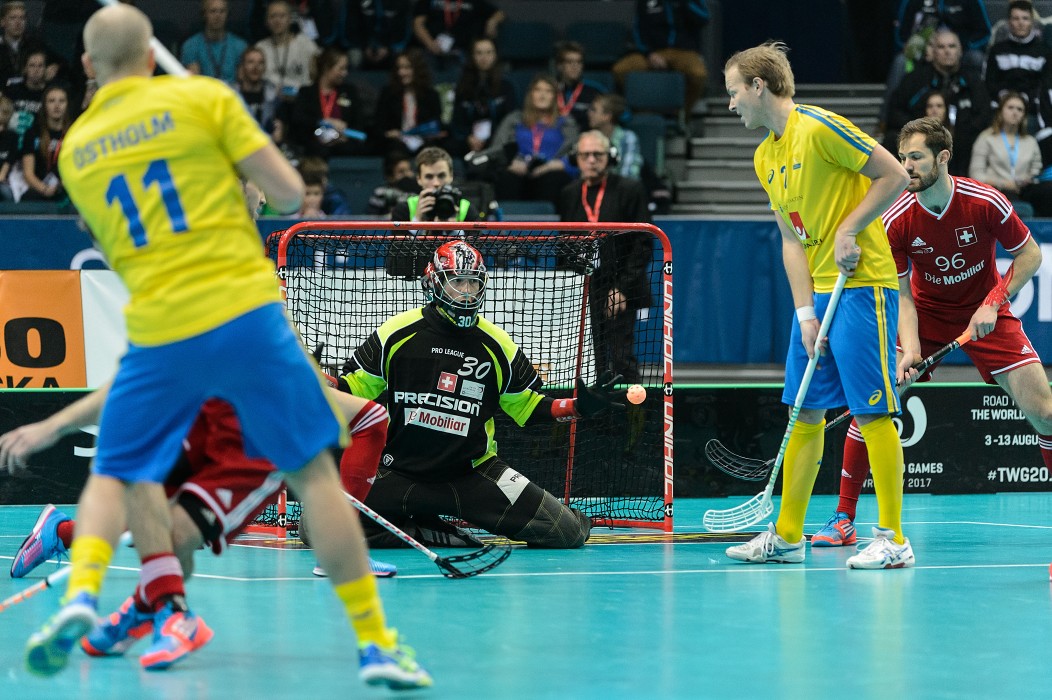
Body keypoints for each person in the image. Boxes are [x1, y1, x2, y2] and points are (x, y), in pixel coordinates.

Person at [25, 5, 430, 689]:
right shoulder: (204, 99)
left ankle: (85, 594)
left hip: (161, 326)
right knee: (313, 477)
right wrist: (232, 135)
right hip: (243, 314)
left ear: (87, 67)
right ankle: (376, 643)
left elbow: (118, 245)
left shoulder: (76, 151)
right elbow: (287, 196)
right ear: (152, 58)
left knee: (119, 472)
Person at [812, 116, 1052, 548]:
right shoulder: (897, 218)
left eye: (916, 158)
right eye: (902, 158)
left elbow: (1030, 255)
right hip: (925, 316)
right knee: (875, 404)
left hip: (986, 311)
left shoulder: (984, 201)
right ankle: (843, 519)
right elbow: (903, 294)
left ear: (943, 157)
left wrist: (994, 301)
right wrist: (910, 349)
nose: (906, 167)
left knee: (1045, 413)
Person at [721, 41, 913, 569]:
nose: (730, 103)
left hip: (863, 284)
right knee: (804, 409)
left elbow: (894, 175)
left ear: (758, 85)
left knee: (871, 409)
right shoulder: (764, 157)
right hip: (820, 293)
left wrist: (850, 228)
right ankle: (787, 537)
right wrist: (805, 313)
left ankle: (894, 539)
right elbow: (791, 239)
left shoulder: (820, 127)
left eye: (734, 91)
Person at [331, 239, 620, 549]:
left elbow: (528, 406)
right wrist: (321, 382)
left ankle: (424, 522)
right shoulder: (397, 332)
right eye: (457, 282)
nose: (467, 291)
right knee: (318, 527)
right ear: (434, 282)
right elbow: (353, 387)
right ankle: (423, 530)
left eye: (473, 282)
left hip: (473, 474)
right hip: (397, 471)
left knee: (566, 532)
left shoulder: (497, 344)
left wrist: (576, 407)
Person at [558, 130, 651, 383]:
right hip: (583, 288)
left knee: (622, 359)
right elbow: (564, 244)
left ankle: (629, 408)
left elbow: (643, 244)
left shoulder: (630, 189)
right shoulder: (569, 193)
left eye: (597, 154)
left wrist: (621, 289)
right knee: (589, 362)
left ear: (611, 157)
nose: (591, 160)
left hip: (621, 285)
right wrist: (568, 288)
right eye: (585, 155)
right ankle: (592, 409)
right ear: (575, 158)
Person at [884, 28, 990, 176]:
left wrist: (959, 132)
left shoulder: (972, 80)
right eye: (941, 47)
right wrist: (920, 130)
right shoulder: (915, 79)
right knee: (892, 138)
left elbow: (984, 115)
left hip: (962, 143)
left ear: (960, 51)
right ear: (933, 52)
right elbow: (894, 112)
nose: (947, 51)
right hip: (920, 139)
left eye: (952, 46)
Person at [475, 74, 579, 206]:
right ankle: (508, 217)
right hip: (517, 170)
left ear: (555, 96)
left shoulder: (566, 123)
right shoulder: (514, 119)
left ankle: (548, 218)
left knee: (554, 179)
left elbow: (575, 153)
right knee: (506, 178)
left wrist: (552, 166)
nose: (542, 95)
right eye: (538, 90)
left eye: (548, 91)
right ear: (531, 94)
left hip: (549, 172)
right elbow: (497, 150)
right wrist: (510, 163)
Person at [387, 145, 480, 277]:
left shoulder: (466, 209)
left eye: (441, 176)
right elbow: (397, 267)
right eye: (429, 177)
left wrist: (454, 230)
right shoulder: (404, 210)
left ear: (451, 176)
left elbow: (475, 264)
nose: (436, 183)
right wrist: (417, 222)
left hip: (454, 282)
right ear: (419, 179)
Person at [611, 0, 710, 115]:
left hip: (684, 52)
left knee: (698, 74)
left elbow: (704, 18)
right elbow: (637, 30)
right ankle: (644, 111)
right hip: (654, 52)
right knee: (620, 70)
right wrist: (649, 53)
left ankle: (681, 114)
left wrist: (684, 3)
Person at [969, 91, 1052, 217]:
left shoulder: (1030, 141)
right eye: (1010, 107)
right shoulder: (986, 138)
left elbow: (1036, 170)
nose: (1015, 112)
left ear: (1024, 115)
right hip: (996, 188)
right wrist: (1003, 183)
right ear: (1000, 112)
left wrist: (1028, 179)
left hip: (1023, 189)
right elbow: (976, 174)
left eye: (1020, 109)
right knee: (1010, 200)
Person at [286, 46, 370, 158]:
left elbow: (358, 122)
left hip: (344, 146)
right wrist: (324, 122)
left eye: (346, 69)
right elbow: (299, 120)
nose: (345, 73)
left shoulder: (349, 92)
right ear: (327, 68)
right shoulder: (307, 93)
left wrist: (344, 136)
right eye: (341, 69)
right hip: (313, 146)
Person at [448, 36, 515, 161]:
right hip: (468, 143)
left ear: (495, 55)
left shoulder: (506, 86)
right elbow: (457, 121)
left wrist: (491, 139)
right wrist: (468, 138)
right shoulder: (462, 86)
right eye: (479, 53)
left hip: (498, 141)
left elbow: (510, 119)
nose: (484, 57)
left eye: (489, 52)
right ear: (472, 56)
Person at [985, 1, 1050, 124]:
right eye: (1016, 18)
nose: (1021, 23)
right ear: (1009, 22)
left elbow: (1045, 84)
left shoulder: (1044, 51)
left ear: (1032, 21)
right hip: (1000, 108)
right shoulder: (997, 50)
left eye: (1025, 18)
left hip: (1032, 111)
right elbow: (989, 81)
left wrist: (1025, 99)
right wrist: (1004, 97)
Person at [375, 48, 446, 160]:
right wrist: (388, 134)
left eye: (407, 68)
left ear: (417, 69)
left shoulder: (430, 95)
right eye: (399, 68)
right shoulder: (388, 94)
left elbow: (436, 123)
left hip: (423, 141)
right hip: (397, 143)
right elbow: (379, 125)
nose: (401, 72)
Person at [16, 83, 70, 202]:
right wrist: (44, 189)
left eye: (61, 101)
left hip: (67, 188)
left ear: (67, 105)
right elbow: (28, 173)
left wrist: (64, 185)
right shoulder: (32, 133)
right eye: (51, 101)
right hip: (39, 189)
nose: (57, 105)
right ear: (44, 105)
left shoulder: (74, 134)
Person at [255, 0, 319, 100]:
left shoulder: (306, 44)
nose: (277, 20)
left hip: (302, 100)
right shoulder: (260, 48)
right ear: (266, 21)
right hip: (271, 101)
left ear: (290, 19)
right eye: (273, 16)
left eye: (282, 16)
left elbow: (317, 76)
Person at [411, 0, 503, 68]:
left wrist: (492, 21)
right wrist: (430, 44)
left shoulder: (474, 1)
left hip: (462, 51)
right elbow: (418, 24)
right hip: (431, 49)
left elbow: (500, 13)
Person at [180, 0, 248, 83]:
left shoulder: (240, 46)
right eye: (213, 11)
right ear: (204, 14)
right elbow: (195, 82)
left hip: (231, 90)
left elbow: (242, 82)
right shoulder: (191, 45)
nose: (218, 16)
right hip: (204, 89)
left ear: (227, 14)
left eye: (222, 11)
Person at [345, 0, 413, 71]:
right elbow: (350, 27)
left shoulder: (401, 2)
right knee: (355, 57)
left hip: (390, 45)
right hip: (363, 45)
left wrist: (387, 47)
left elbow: (403, 29)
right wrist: (364, 47)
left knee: (399, 53)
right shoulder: (355, 1)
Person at [553, 41, 606, 133]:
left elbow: (619, 115)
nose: (575, 66)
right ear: (560, 65)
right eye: (569, 62)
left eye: (579, 62)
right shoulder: (550, 90)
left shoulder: (595, 90)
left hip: (586, 138)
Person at [0, 94, 18, 200]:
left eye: (5, 112)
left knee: (6, 192)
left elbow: (9, 160)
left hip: (5, 181)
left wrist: (2, 175)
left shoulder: (12, 136)